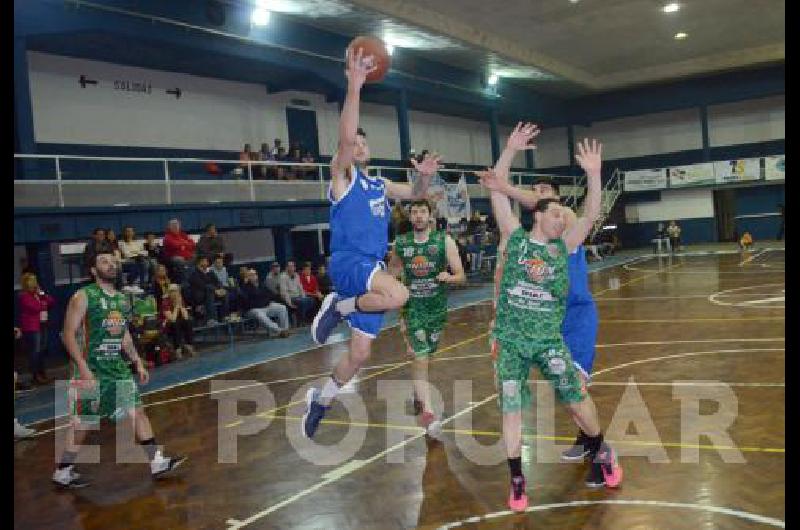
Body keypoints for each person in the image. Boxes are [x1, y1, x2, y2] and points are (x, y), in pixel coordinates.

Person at [477, 123, 621, 511]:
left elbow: (591, 214)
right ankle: (517, 480)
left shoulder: (564, 247)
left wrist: (593, 174)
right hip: (509, 340)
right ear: (538, 215)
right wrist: (509, 149)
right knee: (511, 408)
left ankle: (599, 449)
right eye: (556, 211)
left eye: (563, 211)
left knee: (576, 398)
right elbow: (498, 188)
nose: (563, 217)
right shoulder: (513, 235)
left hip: (549, 339)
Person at [302, 45, 440, 439]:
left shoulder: (380, 184)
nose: (359, 145)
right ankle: (340, 305)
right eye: (354, 143)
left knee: (359, 355)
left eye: (364, 143)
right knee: (399, 296)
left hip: (368, 275)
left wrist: (426, 176)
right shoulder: (343, 178)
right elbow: (345, 138)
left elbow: (415, 192)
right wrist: (355, 84)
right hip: (350, 263)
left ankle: (321, 401)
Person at [482, 174, 603, 463]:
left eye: (543, 190)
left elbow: (582, 214)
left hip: (576, 314)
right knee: (568, 393)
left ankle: (597, 446)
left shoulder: (566, 220)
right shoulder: (524, 242)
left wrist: (506, 188)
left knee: (575, 388)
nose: (535, 193)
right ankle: (589, 441)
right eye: (534, 191)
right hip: (546, 317)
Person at [53, 252, 186, 488]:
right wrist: (83, 368)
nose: (111, 265)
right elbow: (68, 334)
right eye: (104, 261)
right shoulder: (83, 296)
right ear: (93, 270)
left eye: (113, 262)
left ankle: (157, 461)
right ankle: (63, 471)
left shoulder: (122, 300)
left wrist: (137, 361)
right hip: (90, 367)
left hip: (116, 367)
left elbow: (123, 334)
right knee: (83, 424)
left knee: (138, 411)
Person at [388, 199, 465, 436]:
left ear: (431, 216)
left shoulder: (444, 241)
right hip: (413, 309)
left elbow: (461, 275)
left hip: (436, 309)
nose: (419, 216)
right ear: (410, 217)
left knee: (426, 356)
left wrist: (449, 277)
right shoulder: (401, 244)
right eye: (415, 212)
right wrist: (398, 310)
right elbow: (392, 274)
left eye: (423, 211)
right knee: (420, 359)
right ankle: (429, 414)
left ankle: (418, 392)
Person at [17, 273, 56, 385]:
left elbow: (51, 301)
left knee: (41, 350)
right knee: (35, 351)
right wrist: (43, 301)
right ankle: (35, 376)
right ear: (26, 283)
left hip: (42, 324)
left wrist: (42, 295)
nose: (35, 283)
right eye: (32, 281)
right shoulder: (24, 296)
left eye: (35, 280)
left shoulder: (38, 294)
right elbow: (36, 307)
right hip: (32, 327)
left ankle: (42, 374)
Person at [239, 269, 291, 337]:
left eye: (254, 274)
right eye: (250, 275)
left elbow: (271, 295)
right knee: (259, 314)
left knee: (282, 308)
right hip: (253, 310)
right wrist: (264, 301)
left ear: (257, 276)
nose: (253, 276)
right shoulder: (245, 288)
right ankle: (279, 331)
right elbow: (248, 302)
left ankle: (285, 330)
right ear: (248, 277)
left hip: (266, 306)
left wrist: (271, 301)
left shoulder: (262, 285)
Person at [187, 257, 231, 325]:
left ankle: (225, 316)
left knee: (225, 292)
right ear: (199, 262)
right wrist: (215, 290)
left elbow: (217, 282)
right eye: (204, 261)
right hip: (199, 295)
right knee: (209, 288)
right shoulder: (194, 273)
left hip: (212, 293)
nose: (206, 263)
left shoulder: (210, 272)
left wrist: (221, 289)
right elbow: (202, 285)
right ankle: (211, 319)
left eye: (206, 261)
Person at [162, 284, 196, 359]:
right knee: (175, 324)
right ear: (169, 292)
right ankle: (177, 349)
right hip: (168, 325)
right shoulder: (165, 302)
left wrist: (180, 305)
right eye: (172, 291)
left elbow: (186, 317)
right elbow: (172, 319)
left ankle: (189, 344)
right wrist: (177, 306)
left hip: (179, 321)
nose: (174, 293)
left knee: (188, 322)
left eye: (176, 291)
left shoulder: (180, 299)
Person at [280, 260, 316, 325]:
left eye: (293, 266)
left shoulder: (296, 275)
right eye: (290, 266)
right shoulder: (283, 277)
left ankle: (306, 319)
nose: (291, 268)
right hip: (290, 298)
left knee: (311, 300)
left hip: (298, 297)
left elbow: (300, 288)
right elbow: (284, 292)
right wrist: (289, 303)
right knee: (302, 302)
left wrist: (304, 297)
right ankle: (301, 320)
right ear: (286, 268)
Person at [162, 219, 196, 283]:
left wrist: (183, 245)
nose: (176, 227)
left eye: (177, 225)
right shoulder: (167, 237)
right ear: (169, 227)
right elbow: (175, 245)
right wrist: (185, 243)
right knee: (180, 261)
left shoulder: (183, 234)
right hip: (173, 257)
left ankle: (191, 277)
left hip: (187, 256)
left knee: (195, 256)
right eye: (173, 226)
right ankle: (186, 281)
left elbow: (193, 244)